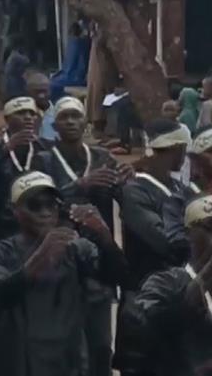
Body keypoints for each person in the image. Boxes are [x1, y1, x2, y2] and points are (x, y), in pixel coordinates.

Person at [0, 171, 127, 376]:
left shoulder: (75, 248)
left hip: (67, 362)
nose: (45, 212)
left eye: (51, 204)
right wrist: (41, 256)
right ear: (15, 210)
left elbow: (117, 275)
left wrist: (104, 235)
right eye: (35, 205)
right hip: (20, 361)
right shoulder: (0, 252)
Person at [34, 96, 134, 376]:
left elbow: (122, 195)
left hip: (98, 263)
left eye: (75, 116)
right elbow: (39, 200)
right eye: (64, 117)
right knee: (65, 347)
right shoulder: (43, 159)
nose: (70, 122)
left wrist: (128, 177)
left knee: (101, 346)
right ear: (54, 125)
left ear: (86, 123)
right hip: (59, 262)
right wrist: (79, 185)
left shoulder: (102, 157)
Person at [115, 119, 195, 375]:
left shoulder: (182, 189)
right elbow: (164, 242)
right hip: (144, 297)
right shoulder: (136, 191)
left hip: (176, 299)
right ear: (179, 150)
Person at [122, 193, 212, 376]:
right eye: (211, 227)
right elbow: (139, 328)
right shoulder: (165, 283)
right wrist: (204, 277)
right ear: (188, 233)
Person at [0, 96, 49, 240]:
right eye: (21, 113)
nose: (28, 118)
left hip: (37, 222)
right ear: (7, 119)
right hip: (0, 225)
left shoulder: (44, 147)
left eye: (32, 114)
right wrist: (4, 150)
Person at [27, 72, 57, 142]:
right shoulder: (21, 117)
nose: (41, 96)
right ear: (28, 92)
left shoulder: (59, 115)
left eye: (44, 91)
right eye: (37, 92)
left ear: (50, 91)